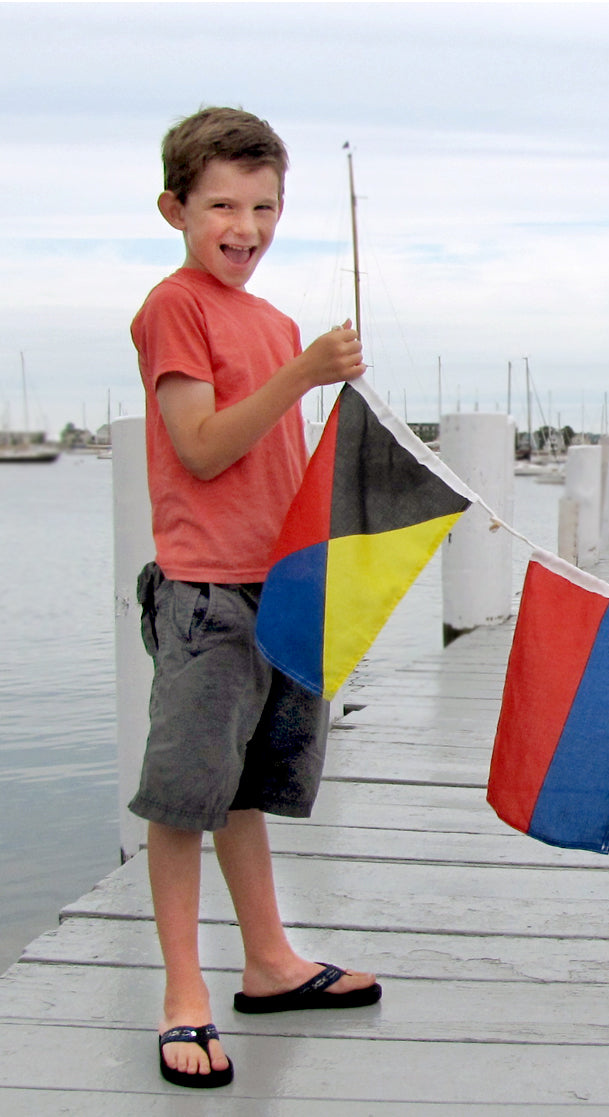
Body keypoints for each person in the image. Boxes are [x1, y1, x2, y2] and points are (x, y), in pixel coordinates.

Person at [131, 107, 378, 1089]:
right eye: (222, 205)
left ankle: (271, 962)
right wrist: (306, 372)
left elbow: (284, 463)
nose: (245, 224)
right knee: (186, 795)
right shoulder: (174, 306)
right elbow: (201, 443)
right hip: (203, 592)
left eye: (264, 205)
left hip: (278, 587)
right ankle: (183, 993)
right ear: (175, 209)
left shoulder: (274, 321)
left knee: (246, 789)